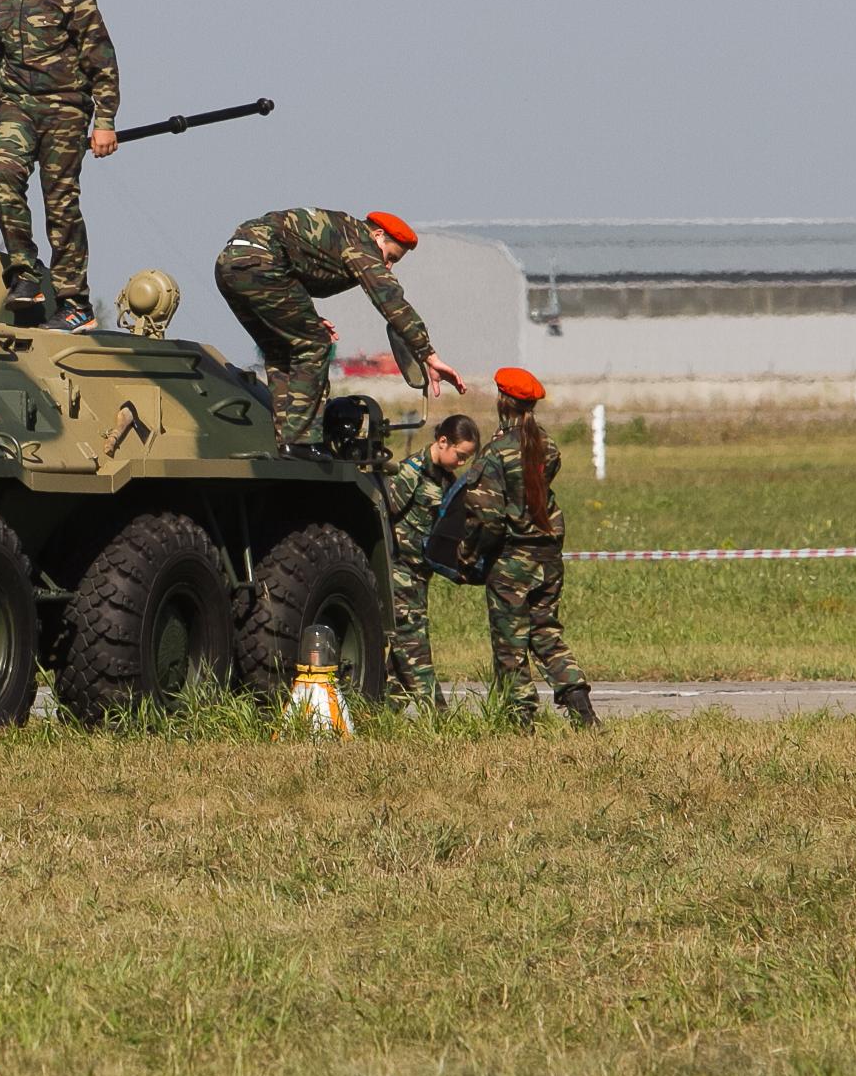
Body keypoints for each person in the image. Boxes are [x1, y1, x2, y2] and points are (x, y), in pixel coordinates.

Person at [0, 0, 119, 333]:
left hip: (65, 108)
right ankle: (25, 274)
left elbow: (102, 63)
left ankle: (74, 303)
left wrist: (104, 121)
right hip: (16, 106)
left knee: (60, 203)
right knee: (4, 176)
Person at [214, 208, 467, 453]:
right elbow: (390, 300)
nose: (388, 266)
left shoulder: (341, 230)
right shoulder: (361, 243)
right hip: (263, 264)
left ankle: (286, 441)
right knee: (315, 345)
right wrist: (429, 355)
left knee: (281, 348)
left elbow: (293, 263)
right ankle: (301, 440)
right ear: (378, 235)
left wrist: (305, 317)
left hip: (230, 264)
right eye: (390, 257)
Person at [462, 368, 598, 728]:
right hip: (548, 556)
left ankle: (519, 718)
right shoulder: (547, 446)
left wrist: (470, 555)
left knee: (510, 643)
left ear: (502, 401)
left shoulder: (495, 453)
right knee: (545, 632)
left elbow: (488, 517)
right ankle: (580, 705)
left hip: (512, 560)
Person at [384, 413, 481, 709]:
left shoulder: (447, 480)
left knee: (401, 651)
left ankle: (382, 713)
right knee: (413, 643)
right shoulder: (410, 473)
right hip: (399, 573)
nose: (462, 462)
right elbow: (384, 518)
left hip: (419, 575)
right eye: (460, 455)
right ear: (442, 442)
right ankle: (437, 714)